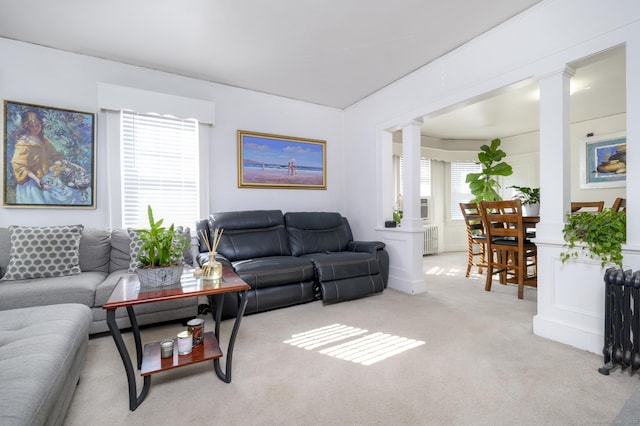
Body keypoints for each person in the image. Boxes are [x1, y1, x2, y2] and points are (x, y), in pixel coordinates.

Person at [11, 110, 87, 204]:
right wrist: (37, 180)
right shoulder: (23, 144)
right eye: (31, 126)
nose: (35, 128)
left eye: (37, 125)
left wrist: (73, 165)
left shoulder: (44, 140)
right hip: (32, 182)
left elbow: (56, 156)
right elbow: (19, 166)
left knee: (71, 194)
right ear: (26, 126)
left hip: (48, 176)